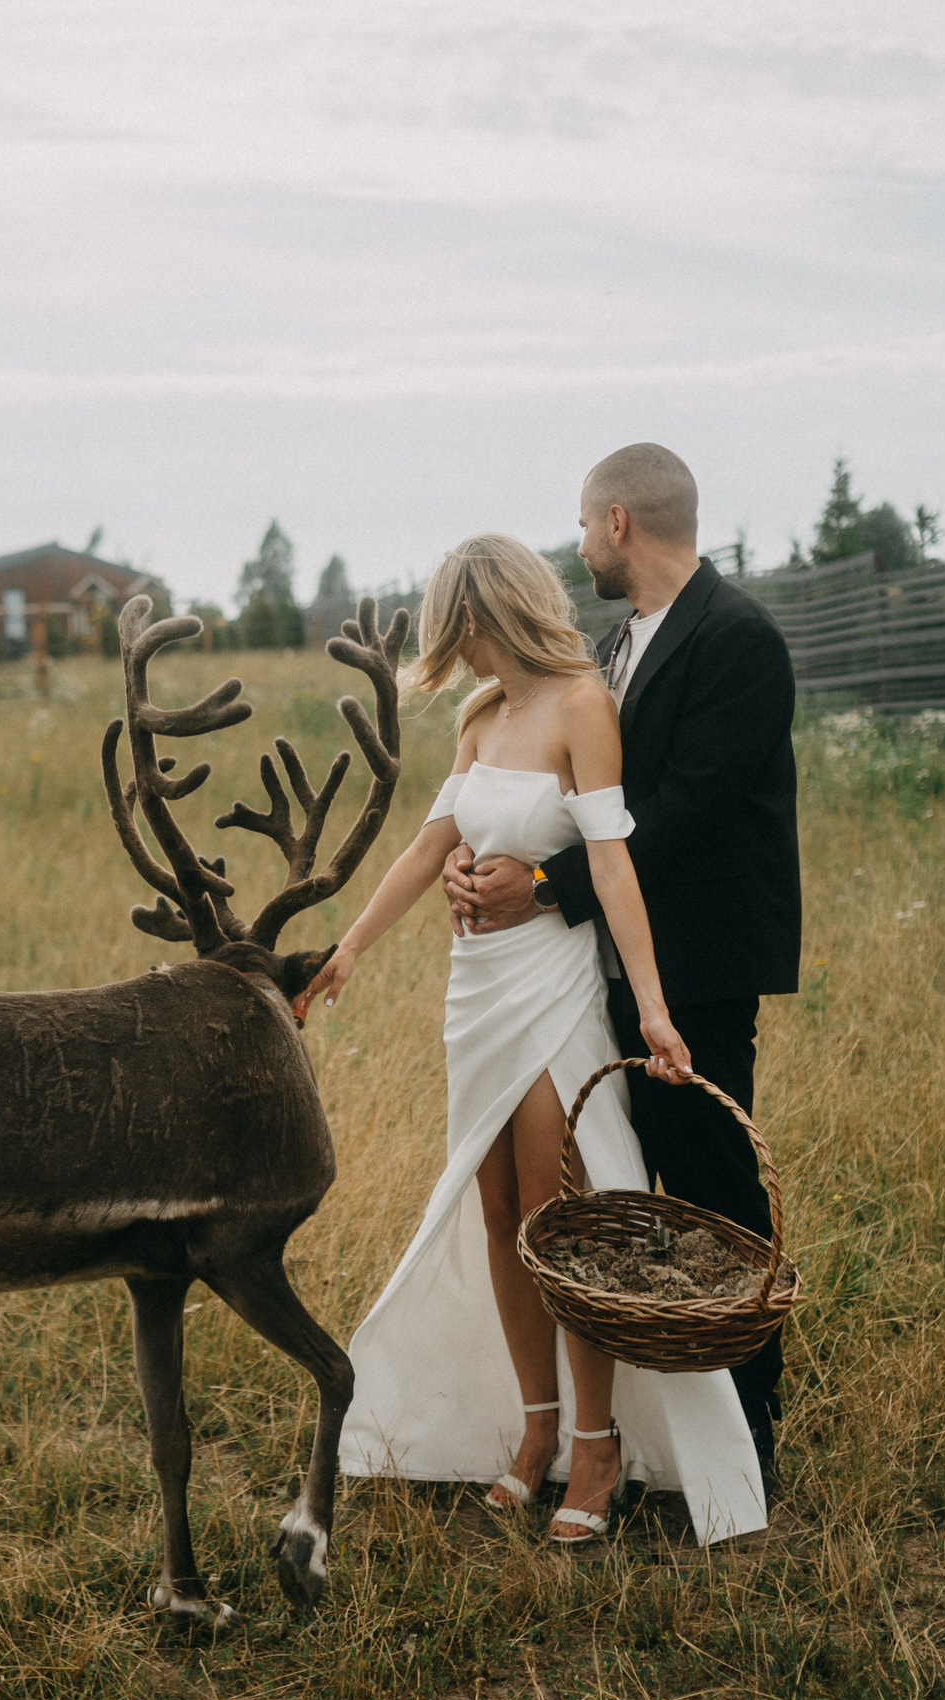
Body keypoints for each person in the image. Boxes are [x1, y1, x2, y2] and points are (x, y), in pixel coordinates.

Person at [297, 533, 770, 1546]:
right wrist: (349, 949)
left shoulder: (581, 706)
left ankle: (597, 1445)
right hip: (475, 990)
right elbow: (432, 846)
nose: (451, 652)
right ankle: (536, 1431)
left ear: (483, 614)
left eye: (452, 629)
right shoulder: (479, 714)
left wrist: (649, 1006)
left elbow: (611, 865)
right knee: (499, 1207)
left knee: (562, 1219)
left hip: (549, 988)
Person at [444, 443, 802, 1495]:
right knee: (609, 1193)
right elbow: (582, 794)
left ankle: (744, 1436)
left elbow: (679, 814)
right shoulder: (614, 645)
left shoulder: (739, 639)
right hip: (594, 966)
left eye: (583, 523)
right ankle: (634, 1431)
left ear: (617, 525)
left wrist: (544, 884)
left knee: (709, 1196)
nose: (578, 543)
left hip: (696, 965)